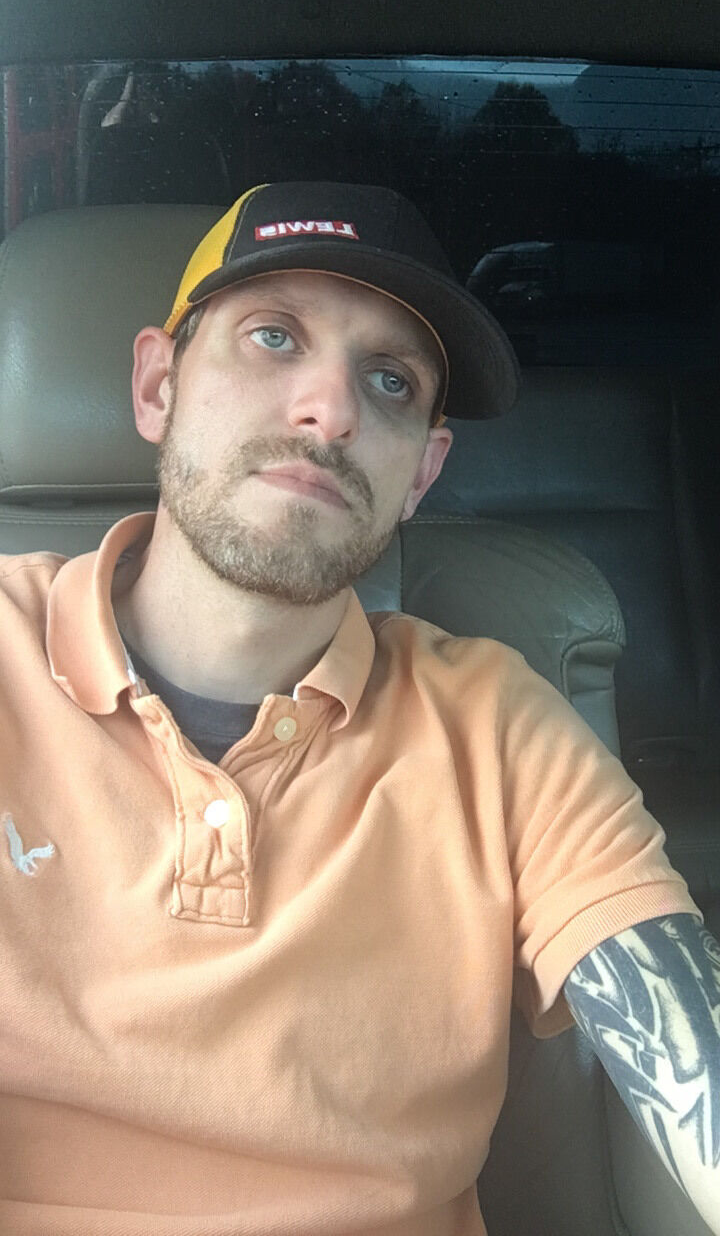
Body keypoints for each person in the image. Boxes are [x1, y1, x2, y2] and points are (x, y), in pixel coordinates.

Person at [0, 181, 717, 1236]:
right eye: (273, 336)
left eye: (390, 380)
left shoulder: (495, 725)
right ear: (157, 385)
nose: (331, 411)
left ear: (422, 471)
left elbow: (691, 1055)